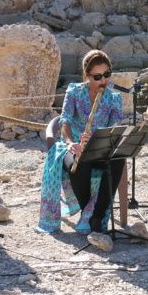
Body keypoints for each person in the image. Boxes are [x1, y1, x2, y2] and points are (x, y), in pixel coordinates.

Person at [37, 50, 124, 234]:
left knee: (118, 160)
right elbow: (65, 120)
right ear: (87, 75)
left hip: (99, 147)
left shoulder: (114, 97)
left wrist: (99, 138)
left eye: (107, 75)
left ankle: (97, 216)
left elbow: (115, 126)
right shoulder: (74, 90)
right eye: (98, 76)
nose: (103, 81)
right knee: (79, 162)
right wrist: (70, 142)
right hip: (72, 146)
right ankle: (87, 212)